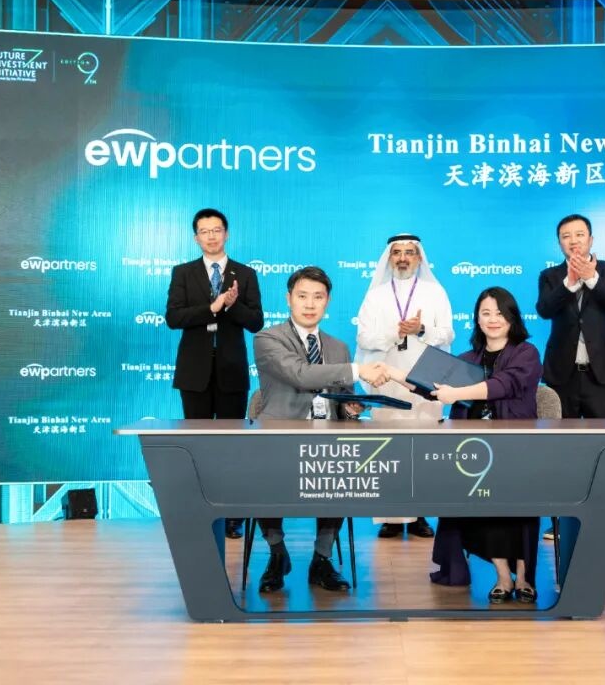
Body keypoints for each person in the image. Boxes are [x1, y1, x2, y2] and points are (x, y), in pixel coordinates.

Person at [385, 287, 543, 604]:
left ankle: (525, 577)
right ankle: (503, 577)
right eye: (486, 313)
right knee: (482, 501)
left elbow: (504, 385)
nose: (493, 319)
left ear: (512, 318)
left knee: (519, 505)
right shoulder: (468, 359)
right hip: (474, 453)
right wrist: (391, 373)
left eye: (500, 313)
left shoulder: (526, 353)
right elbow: (428, 388)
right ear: (477, 320)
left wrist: (457, 394)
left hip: (517, 450)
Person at [251, 266, 389, 594]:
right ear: (289, 299)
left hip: (327, 438)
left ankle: (322, 559)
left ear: (327, 301)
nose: (310, 304)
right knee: (259, 477)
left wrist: (351, 408)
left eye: (318, 297)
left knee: (343, 471)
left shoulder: (338, 347)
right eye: (302, 296)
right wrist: (359, 369)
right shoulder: (268, 339)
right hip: (279, 437)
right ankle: (277, 553)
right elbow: (300, 374)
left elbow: (343, 397)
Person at [165, 207, 263, 539]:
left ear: (226, 233)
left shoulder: (245, 274)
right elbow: (173, 318)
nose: (211, 236)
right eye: (204, 231)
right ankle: (200, 511)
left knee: (231, 446)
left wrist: (232, 305)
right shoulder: (183, 273)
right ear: (196, 238)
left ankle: (233, 514)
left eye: (216, 230)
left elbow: (256, 322)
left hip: (232, 370)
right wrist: (212, 307)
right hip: (194, 372)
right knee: (197, 444)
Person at [535, 213, 605, 540]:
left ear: (591, 239)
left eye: (579, 234)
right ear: (559, 243)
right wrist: (570, 282)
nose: (573, 241)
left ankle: (599, 520)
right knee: (562, 450)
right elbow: (544, 309)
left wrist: (591, 278)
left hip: (601, 374)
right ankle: (561, 521)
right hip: (562, 375)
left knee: (601, 448)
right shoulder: (550, 276)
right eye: (566, 236)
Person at [355, 234, 454, 539]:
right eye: (397, 252)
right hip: (386, 381)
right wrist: (394, 333)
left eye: (409, 252)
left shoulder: (435, 292)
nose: (402, 258)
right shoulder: (376, 295)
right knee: (388, 452)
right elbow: (363, 338)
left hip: (425, 380)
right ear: (389, 258)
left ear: (419, 257)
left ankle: (421, 514)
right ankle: (392, 518)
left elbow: (448, 333)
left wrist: (421, 329)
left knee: (424, 452)